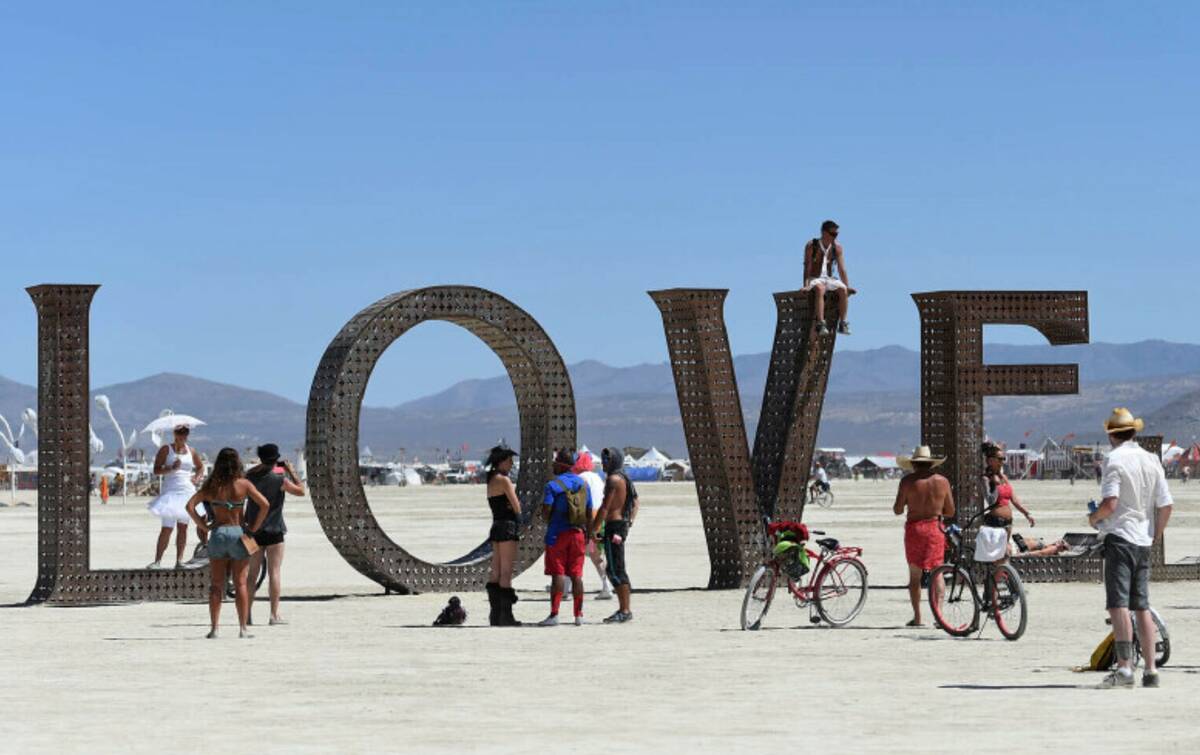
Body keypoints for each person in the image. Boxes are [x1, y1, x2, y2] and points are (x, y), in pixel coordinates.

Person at [1089, 408, 1173, 688]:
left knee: (1118, 604)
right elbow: (1166, 505)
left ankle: (1125, 669)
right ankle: (1151, 670)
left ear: (1112, 435)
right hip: (1142, 541)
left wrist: (1094, 517)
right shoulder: (1152, 459)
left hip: (1120, 538)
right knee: (1142, 606)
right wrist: (1154, 534)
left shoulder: (1114, 459)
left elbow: (1110, 503)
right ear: (1134, 432)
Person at [185, 447, 272, 639]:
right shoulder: (244, 484)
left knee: (216, 584)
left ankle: (215, 628)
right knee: (240, 583)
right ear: (237, 463)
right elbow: (265, 504)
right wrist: (254, 527)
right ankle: (242, 628)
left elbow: (190, 506)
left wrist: (204, 526)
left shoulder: (212, 486)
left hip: (218, 534)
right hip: (238, 533)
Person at [893, 445, 955, 627]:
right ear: (931, 464)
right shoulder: (942, 481)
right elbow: (950, 511)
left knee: (914, 576)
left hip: (915, 530)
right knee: (938, 573)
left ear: (913, 463)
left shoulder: (907, 482)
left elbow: (897, 510)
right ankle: (939, 616)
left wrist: (909, 502)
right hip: (935, 528)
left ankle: (918, 617)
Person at [245, 443, 305, 626]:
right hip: (275, 529)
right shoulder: (280, 479)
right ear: (275, 459)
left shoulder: (250, 477)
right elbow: (301, 491)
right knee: (275, 572)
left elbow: (256, 472)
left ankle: (246, 613)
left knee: (251, 574)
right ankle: (274, 614)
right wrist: (292, 471)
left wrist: (261, 465)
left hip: (253, 530)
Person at [539, 449, 592, 626]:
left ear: (561, 465)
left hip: (557, 534)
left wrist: (549, 520)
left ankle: (554, 615)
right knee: (577, 575)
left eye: (555, 462)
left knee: (558, 574)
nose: (552, 465)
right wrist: (589, 534)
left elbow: (546, 510)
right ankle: (579, 615)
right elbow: (589, 512)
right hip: (578, 534)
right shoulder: (584, 485)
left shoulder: (552, 486)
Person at [146, 425, 206, 569]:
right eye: (180, 433)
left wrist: (197, 478)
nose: (182, 436)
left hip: (187, 492)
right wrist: (171, 468)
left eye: (185, 433)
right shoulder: (166, 449)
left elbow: (200, 467)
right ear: (174, 433)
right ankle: (157, 561)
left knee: (183, 528)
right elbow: (156, 469)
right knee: (167, 528)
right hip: (171, 493)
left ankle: (179, 561)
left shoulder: (191, 451)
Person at [593, 447, 639, 623]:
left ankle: (625, 610)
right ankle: (624, 609)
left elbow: (605, 507)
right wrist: (629, 521)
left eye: (607, 460)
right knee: (616, 567)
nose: (604, 463)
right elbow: (635, 501)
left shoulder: (613, 479)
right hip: (619, 526)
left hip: (614, 526)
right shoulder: (624, 478)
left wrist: (593, 529)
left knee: (615, 569)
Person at [483, 446, 522, 626]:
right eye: (509, 461)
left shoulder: (491, 479)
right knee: (506, 571)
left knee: (496, 570)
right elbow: (517, 506)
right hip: (507, 526)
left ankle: (495, 614)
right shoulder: (504, 480)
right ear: (501, 461)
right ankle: (506, 616)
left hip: (496, 525)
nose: (511, 464)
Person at [980, 443, 1035, 560]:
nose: (1002, 462)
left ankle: (1000, 577)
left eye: (1003, 459)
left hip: (1008, 523)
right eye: (1000, 459)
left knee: (1004, 555)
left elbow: (1014, 500)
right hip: (995, 522)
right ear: (990, 461)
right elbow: (990, 501)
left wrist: (1027, 514)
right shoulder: (985, 479)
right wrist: (995, 484)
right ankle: (1000, 577)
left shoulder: (1004, 477)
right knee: (1002, 555)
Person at [802, 220, 853, 336]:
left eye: (836, 234)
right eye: (832, 234)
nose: (835, 236)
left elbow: (842, 269)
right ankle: (821, 323)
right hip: (815, 278)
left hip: (828, 278)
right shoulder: (812, 245)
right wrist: (805, 286)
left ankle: (843, 322)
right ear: (824, 232)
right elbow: (807, 267)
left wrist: (847, 286)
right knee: (820, 289)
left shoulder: (837, 247)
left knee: (843, 290)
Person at [574, 451, 612, 600]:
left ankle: (606, 586)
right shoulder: (597, 477)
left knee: (582, 554)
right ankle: (606, 585)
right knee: (597, 554)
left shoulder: (579, 478)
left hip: (587, 520)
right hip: (600, 519)